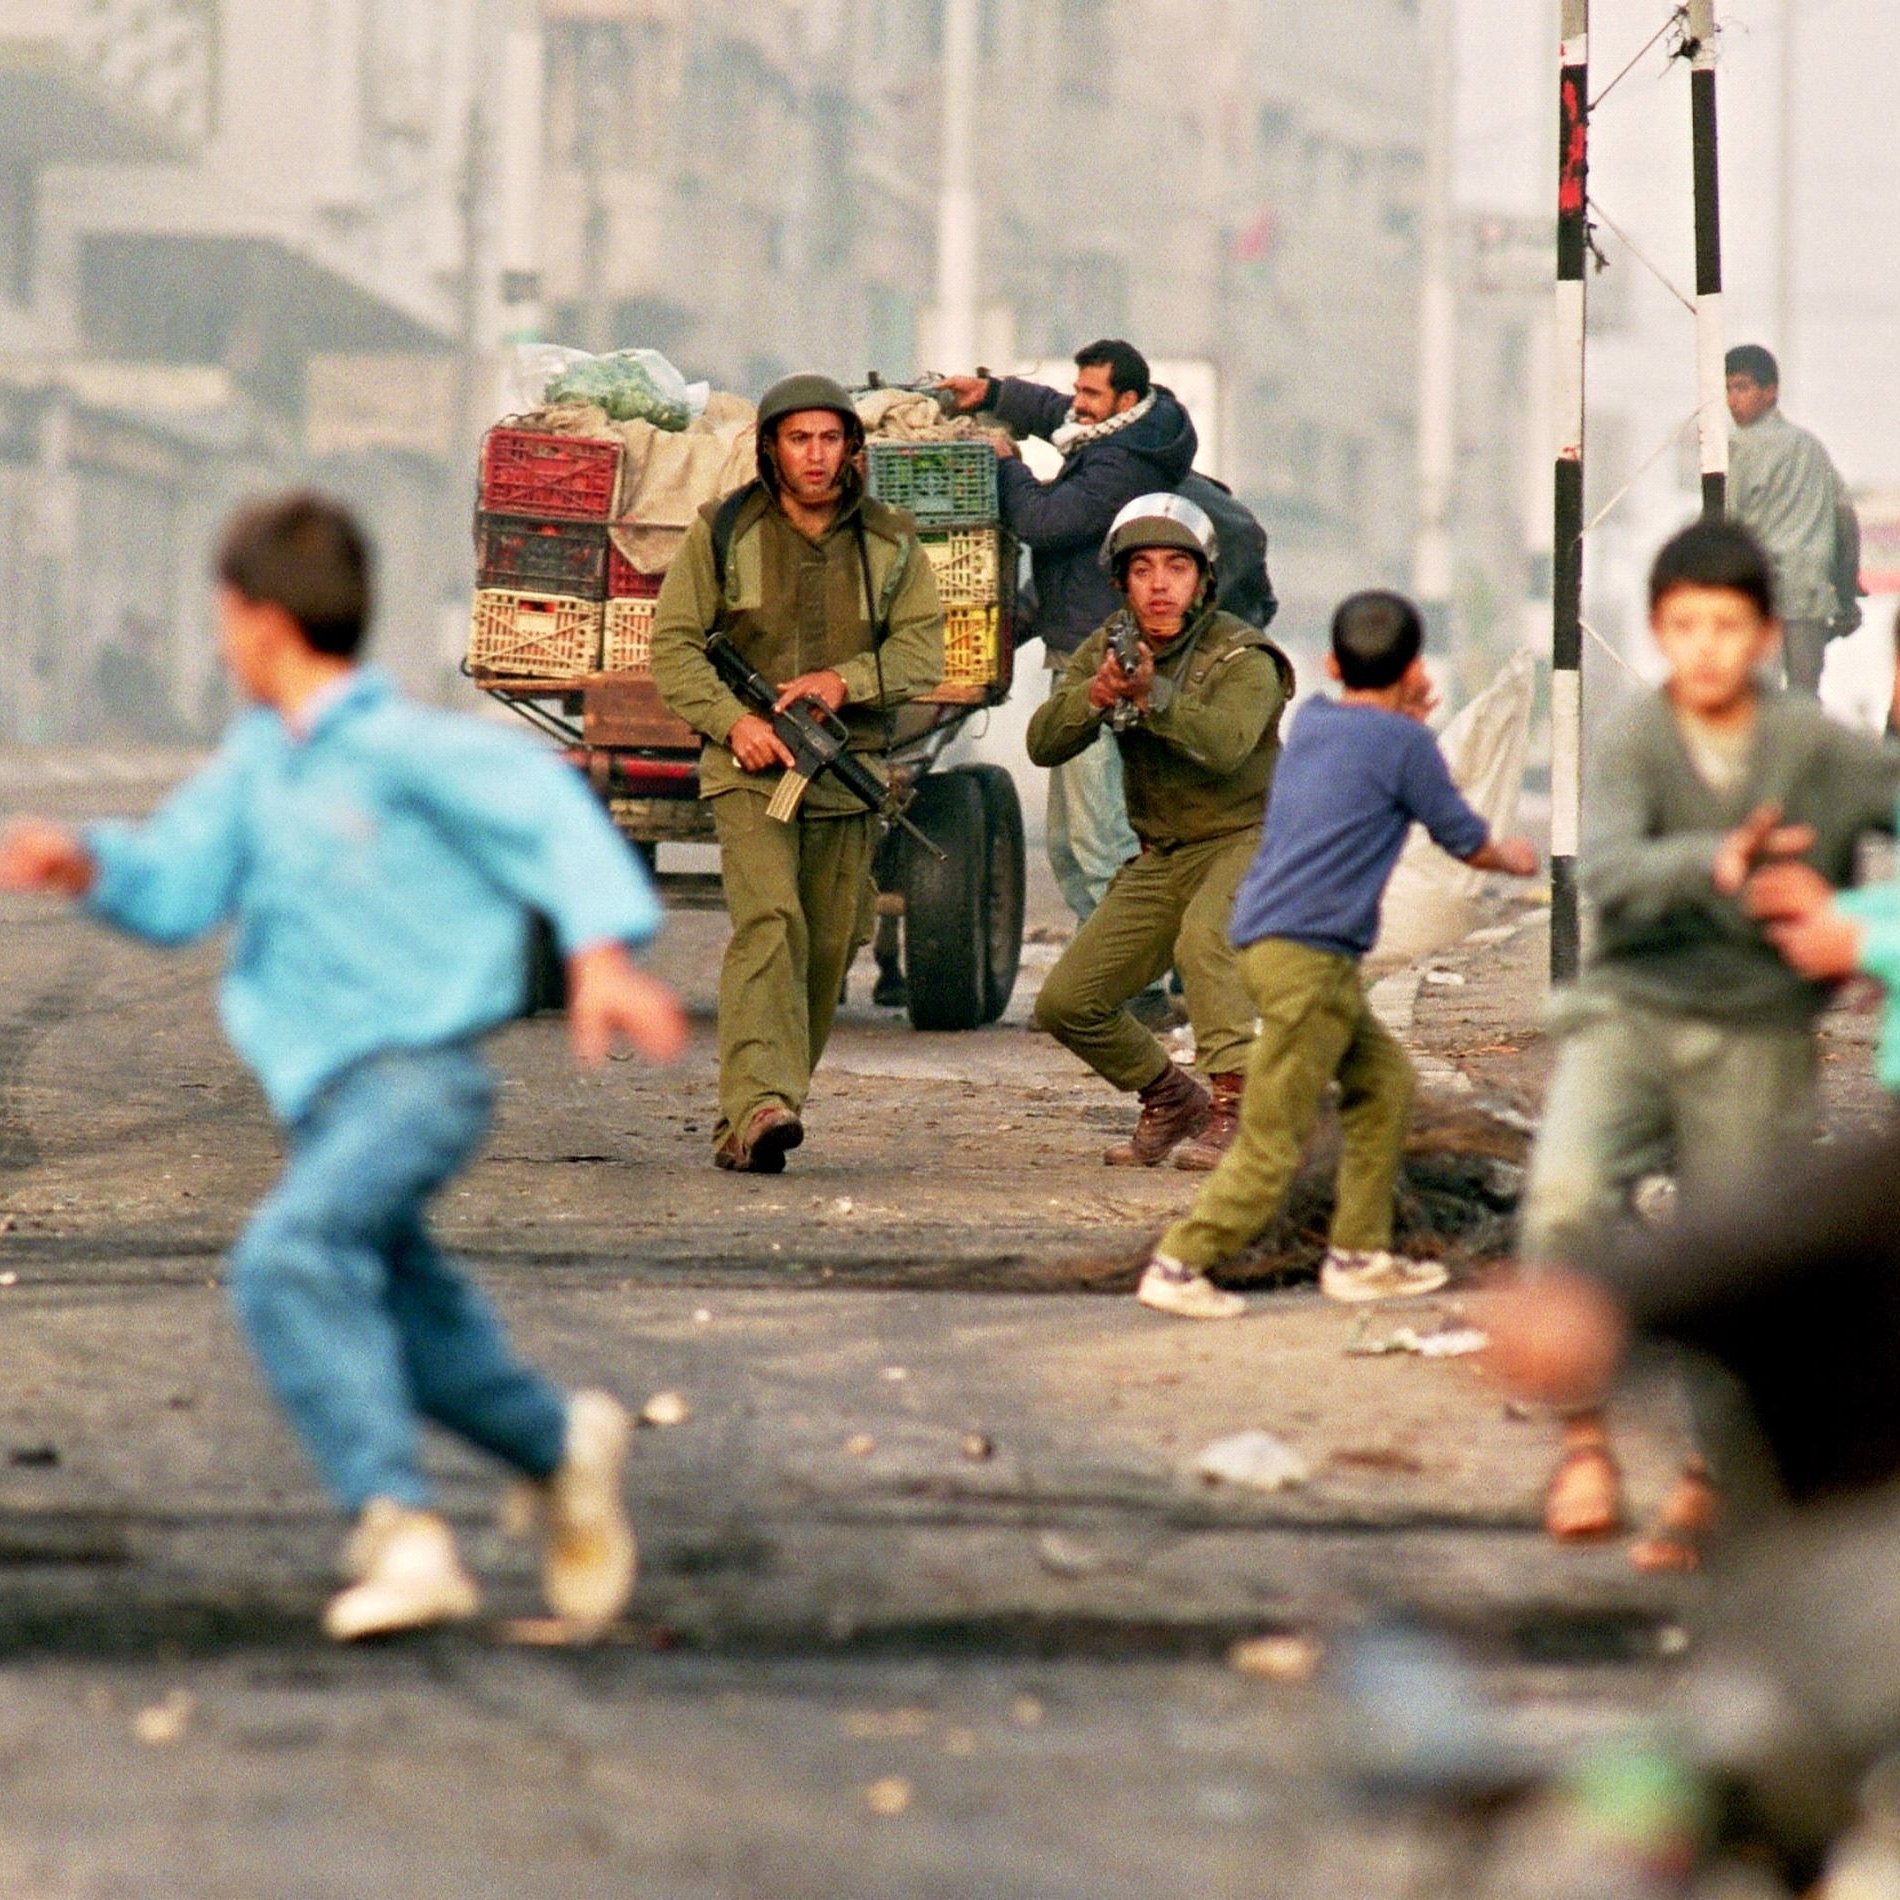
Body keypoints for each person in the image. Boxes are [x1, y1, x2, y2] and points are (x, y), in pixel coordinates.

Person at [0, 493, 687, 1642]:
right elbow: (176, 883)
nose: (220, 640)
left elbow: (544, 808)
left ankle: (396, 1524)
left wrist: (603, 951)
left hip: (417, 1079)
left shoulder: (402, 745)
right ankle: (558, 1444)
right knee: (406, 1322)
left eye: (223, 617)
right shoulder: (257, 762)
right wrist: (84, 862)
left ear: (262, 620)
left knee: (288, 1257)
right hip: (326, 1104)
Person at [1516, 517, 1900, 1556]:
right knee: (1560, 1197)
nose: (1705, 649)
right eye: (1683, 625)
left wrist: (1860, 927)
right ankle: (1583, 1443)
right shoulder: (1635, 737)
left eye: (1726, 626)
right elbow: (1606, 872)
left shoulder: (1814, 746)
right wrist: (1716, 863)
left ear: (1765, 633)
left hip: (1758, 1029)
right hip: (1631, 1011)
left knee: (1742, 1252)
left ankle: (1706, 1476)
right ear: (1655, 630)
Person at [1133, 590, 1538, 1320]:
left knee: (1382, 1085)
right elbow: (1461, 837)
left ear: (1329, 664)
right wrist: (1509, 857)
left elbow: (1362, 766)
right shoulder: (1408, 747)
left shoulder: (1316, 722)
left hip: (1274, 944)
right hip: (1310, 961)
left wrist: (1401, 723)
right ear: (1415, 669)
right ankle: (1180, 1261)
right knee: (1274, 1137)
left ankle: (1358, 1254)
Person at [649, 372, 943, 1172]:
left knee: (829, 943)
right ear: (771, 448)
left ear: (852, 450)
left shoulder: (889, 543)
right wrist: (734, 722)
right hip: (753, 769)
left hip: (848, 768)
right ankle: (755, 1109)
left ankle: (772, 1103)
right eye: (798, 438)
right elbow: (674, 645)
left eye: (829, 439)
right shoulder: (723, 532)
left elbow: (923, 649)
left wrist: (846, 681)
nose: (815, 456)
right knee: (770, 923)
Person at [1026, 495, 1294, 1171]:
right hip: (1165, 853)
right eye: (1141, 569)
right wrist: (1093, 696)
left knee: (1207, 943)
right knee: (1068, 1002)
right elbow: (1042, 744)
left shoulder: (1243, 655)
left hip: (1249, 839)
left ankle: (1237, 1108)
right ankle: (1173, 1099)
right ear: (1121, 582)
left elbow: (1228, 744)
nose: (1159, 584)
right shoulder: (1111, 645)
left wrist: (1153, 697)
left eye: (1177, 567)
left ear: (1203, 579)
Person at [940, 343, 1198, 989]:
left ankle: (1126, 986)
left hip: (1099, 659)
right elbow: (1064, 417)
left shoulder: (1119, 464)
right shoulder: (1127, 435)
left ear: (1126, 403)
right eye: (1078, 390)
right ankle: (1111, 973)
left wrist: (1007, 468)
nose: (1077, 403)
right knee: (1069, 841)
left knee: (1098, 839)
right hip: (1078, 652)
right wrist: (996, 394)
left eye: (1091, 394)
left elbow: (1044, 521)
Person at [1725, 344, 1856, 696]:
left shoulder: (1734, 450)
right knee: (1804, 698)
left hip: (1758, 595)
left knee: (1758, 701)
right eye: (1728, 388)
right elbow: (1845, 519)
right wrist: (1846, 595)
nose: (1732, 399)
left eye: (1742, 387)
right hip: (1808, 592)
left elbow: (1724, 529)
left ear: (1770, 392)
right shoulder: (1811, 448)